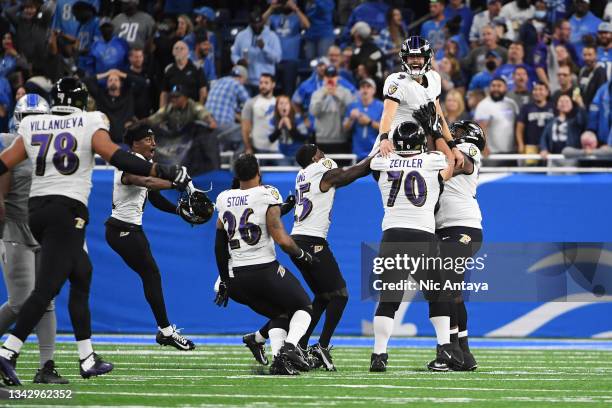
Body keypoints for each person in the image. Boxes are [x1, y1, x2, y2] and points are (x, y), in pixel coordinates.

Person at [0, 77, 191, 386]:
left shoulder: (34, 125)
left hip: (36, 211)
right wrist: (161, 170)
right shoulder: (90, 120)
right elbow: (116, 156)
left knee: (82, 273)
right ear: (81, 100)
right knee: (46, 288)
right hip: (66, 211)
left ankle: (87, 358)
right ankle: (9, 352)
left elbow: (5, 162)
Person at [214, 154, 316, 375]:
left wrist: (224, 279)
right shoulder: (266, 193)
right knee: (304, 307)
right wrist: (302, 255)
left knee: (281, 314)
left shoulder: (223, 198)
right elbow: (280, 237)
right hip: (264, 270)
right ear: (258, 171)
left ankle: (280, 362)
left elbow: (219, 245)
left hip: (238, 277)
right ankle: (289, 349)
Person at [369, 120, 454, 373]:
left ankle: (378, 353)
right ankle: (444, 348)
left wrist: (384, 136)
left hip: (392, 235)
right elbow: (451, 161)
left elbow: (374, 159)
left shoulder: (381, 162)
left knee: (389, 298)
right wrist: (436, 131)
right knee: (438, 293)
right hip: (421, 236)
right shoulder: (432, 160)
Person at [105, 124, 197, 351]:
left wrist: (178, 210)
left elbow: (153, 196)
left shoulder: (141, 164)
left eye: (154, 138)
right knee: (151, 274)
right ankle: (165, 331)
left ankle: (165, 329)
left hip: (128, 229)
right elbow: (146, 182)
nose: (154, 144)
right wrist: (175, 183)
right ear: (135, 142)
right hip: (122, 229)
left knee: (151, 274)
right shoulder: (127, 162)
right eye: (148, 139)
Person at [0, 94, 67, 384]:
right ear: (17, 120)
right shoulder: (5, 142)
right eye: (26, 118)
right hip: (14, 227)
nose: (32, 123)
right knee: (20, 301)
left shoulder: (54, 146)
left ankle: (46, 367)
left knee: (46, 300)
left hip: (43, 229)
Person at [434, 120, 486, 371]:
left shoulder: (469, 150)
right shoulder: (449, 148)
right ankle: (463, 352)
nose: (454, 134)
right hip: (443, 228)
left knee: (445, 286)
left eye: (460, 132)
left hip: (462, 227)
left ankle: (450, 350)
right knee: (451, 290)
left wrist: (439, 138)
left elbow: (457, 163)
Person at [265, 0, 310, 97]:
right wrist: (271, 8)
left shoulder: (296, 18)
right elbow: (260, 23)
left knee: (289, 92)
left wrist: (296, 9)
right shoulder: (274, 17)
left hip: (291, 60)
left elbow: (307, 25)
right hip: (275, 60)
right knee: (269, 90)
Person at [230, 12, 282, 94]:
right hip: (246, 80)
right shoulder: (241, 36)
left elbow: (278, 58)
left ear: (263, 21)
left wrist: (265, 48)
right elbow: (234, 54)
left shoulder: (272, 36)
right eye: (254, 23)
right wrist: (239, 61)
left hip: (265, 82)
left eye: (259, 22)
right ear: (250, 23)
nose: (257, 25)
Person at [82, 69, 138, 143]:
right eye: (110, 80)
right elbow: (86, 81)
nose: (113, 82)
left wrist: (120, 74)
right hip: (106, 139)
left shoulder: (128, 94)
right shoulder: (100, 94)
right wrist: (106, 74)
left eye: (116, 80)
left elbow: (142, 82)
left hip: (126, 139)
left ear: (121, 83)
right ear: (107, 84)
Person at [309, 66, 355, 153]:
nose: (330, 79)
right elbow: (314, 112)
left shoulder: (346, 92)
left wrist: (336, 95)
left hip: (341, 139)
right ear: (324, 78)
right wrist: (324, 95)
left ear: (337, 77)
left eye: (333, 76)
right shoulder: (317, 93)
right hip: (321, 139)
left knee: (340, 166)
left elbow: (349, 113)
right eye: (327, 76)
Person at [205, 66, 250, 151]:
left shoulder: (218, 81)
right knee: (245, 134)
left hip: (207, 123)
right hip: (222, 125)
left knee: (227, 135)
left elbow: (227, 106)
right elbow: (250, 104)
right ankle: (237, 162)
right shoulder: (236, 84)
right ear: (241, 77)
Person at [473, 77, 519, 154]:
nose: (496, 89)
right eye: (493, 86)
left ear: (505, 88)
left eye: (499, 86)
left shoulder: (512, 104)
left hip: (511, 150)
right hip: (492, 152)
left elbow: (516, 125)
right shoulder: (483, 105)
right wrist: (484, 146)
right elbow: (480, 127)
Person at [145, 85, 217, 133]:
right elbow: (155, 117)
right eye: (172, 97)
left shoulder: (193, 106)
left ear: (185, 97)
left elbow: (203, 113)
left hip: (191, 141)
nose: (173, 99)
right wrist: (141, 123)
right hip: (174, 141)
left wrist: (210, 122)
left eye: (177, 97)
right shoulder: (168, 108)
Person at [343, 78, 383, 160]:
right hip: (357, 152)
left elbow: (386, 129)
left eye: (368, 87)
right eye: (362, 87)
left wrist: (369, 122)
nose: (365, 89)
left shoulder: (381, 106)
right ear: (359, 90)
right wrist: (351, 118)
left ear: (374, 90)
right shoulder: (353, 106)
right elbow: (345, 128)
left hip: (376, 152)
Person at [160, 41, 208, 107]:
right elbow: (164, 93)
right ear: (173, 52)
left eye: (182, 48)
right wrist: (162, 111)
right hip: (174, 110)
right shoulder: (168, 69)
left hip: (192, 109)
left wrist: (200, 109)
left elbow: (203, 91)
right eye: (176, 48)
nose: (179, 50)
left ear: (187, 52)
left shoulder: (196, 68)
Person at [242, 74, 277, 155]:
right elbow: (245, 128)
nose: (263, 86)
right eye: (261, 83)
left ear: (273, 84)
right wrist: (248, 147)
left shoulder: (279, 102)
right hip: (257, 148)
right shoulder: (250, 103)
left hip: (276, 148)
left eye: (266, 83)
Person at [268, 95, 310, 163]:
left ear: (290, 106)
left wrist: (290, 128)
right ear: (277, 106)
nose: (284, 106)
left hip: (298, 154)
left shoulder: (297, 118)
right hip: (282, 154)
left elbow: (304, 137)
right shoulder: (273, 120)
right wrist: (279, 128)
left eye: (286, 103)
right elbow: (271, 139)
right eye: (281, 103)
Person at [516, 81, 554, 155]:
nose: (537, 92)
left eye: (540, 89)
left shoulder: (554, 107)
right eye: (535, 90)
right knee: (530, 166)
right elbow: (519, 128)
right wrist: (520, 144)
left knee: (549, 166)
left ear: (547, 92)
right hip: (530, 146)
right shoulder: (526, 108)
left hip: (549, 145)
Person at [569, 0, 602, 65]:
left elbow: (604, 44)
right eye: (578, 2)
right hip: (570, 64)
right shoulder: (568, 21)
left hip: (588, 63)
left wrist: (594, 41)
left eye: (582, 2)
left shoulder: (598, 22)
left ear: (588, 4)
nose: (580, 4)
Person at [376, 8, 408, 73]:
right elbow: (382, 52)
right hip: (391, 67)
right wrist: (396, 50)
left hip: (403, 65)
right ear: (391, 18)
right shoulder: (386, 32)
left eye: (400, 14)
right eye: (396, 15)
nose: (400, 17)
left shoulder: (403, 32)